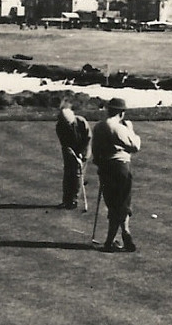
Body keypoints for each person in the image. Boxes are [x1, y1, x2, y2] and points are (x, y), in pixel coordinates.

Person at [92, 97, 142, 252]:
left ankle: (114, 238)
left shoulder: (98, 127)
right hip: (121, 167)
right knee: (123, 204)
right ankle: (116, 237)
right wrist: (131, 130)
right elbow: (135, 146)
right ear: (121, 112)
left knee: (114, 204)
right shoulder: (119, 128)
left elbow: (95, 152)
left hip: (105, 168)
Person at [55, 102, 91, 210]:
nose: (68, 125)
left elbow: (88, 138)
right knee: (68, 174)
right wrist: (70, 152)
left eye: (69, 124)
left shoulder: (81, 121)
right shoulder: (60, 126)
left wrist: (82, 152)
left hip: (83, 150)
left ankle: (74, 201)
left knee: (77, 174)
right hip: (69, 151)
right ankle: (66, 200)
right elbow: (64, 143)